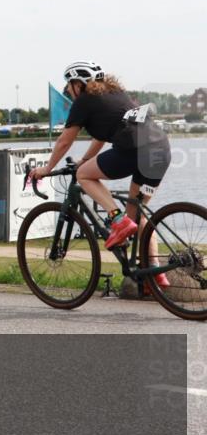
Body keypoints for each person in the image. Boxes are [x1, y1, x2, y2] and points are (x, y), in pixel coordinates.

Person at [27, 61, 172, 290]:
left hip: (134, 150)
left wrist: (46, 168)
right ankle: (154, 273)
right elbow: (102, 137)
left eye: (70, 85)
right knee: (137, 214)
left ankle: (116, 218)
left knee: (84, 176)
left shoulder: (84, 101)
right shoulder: (115, 94)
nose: (69, 90)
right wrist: (85, 160)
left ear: (79, 84)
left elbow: (65, 140)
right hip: (160, 151)